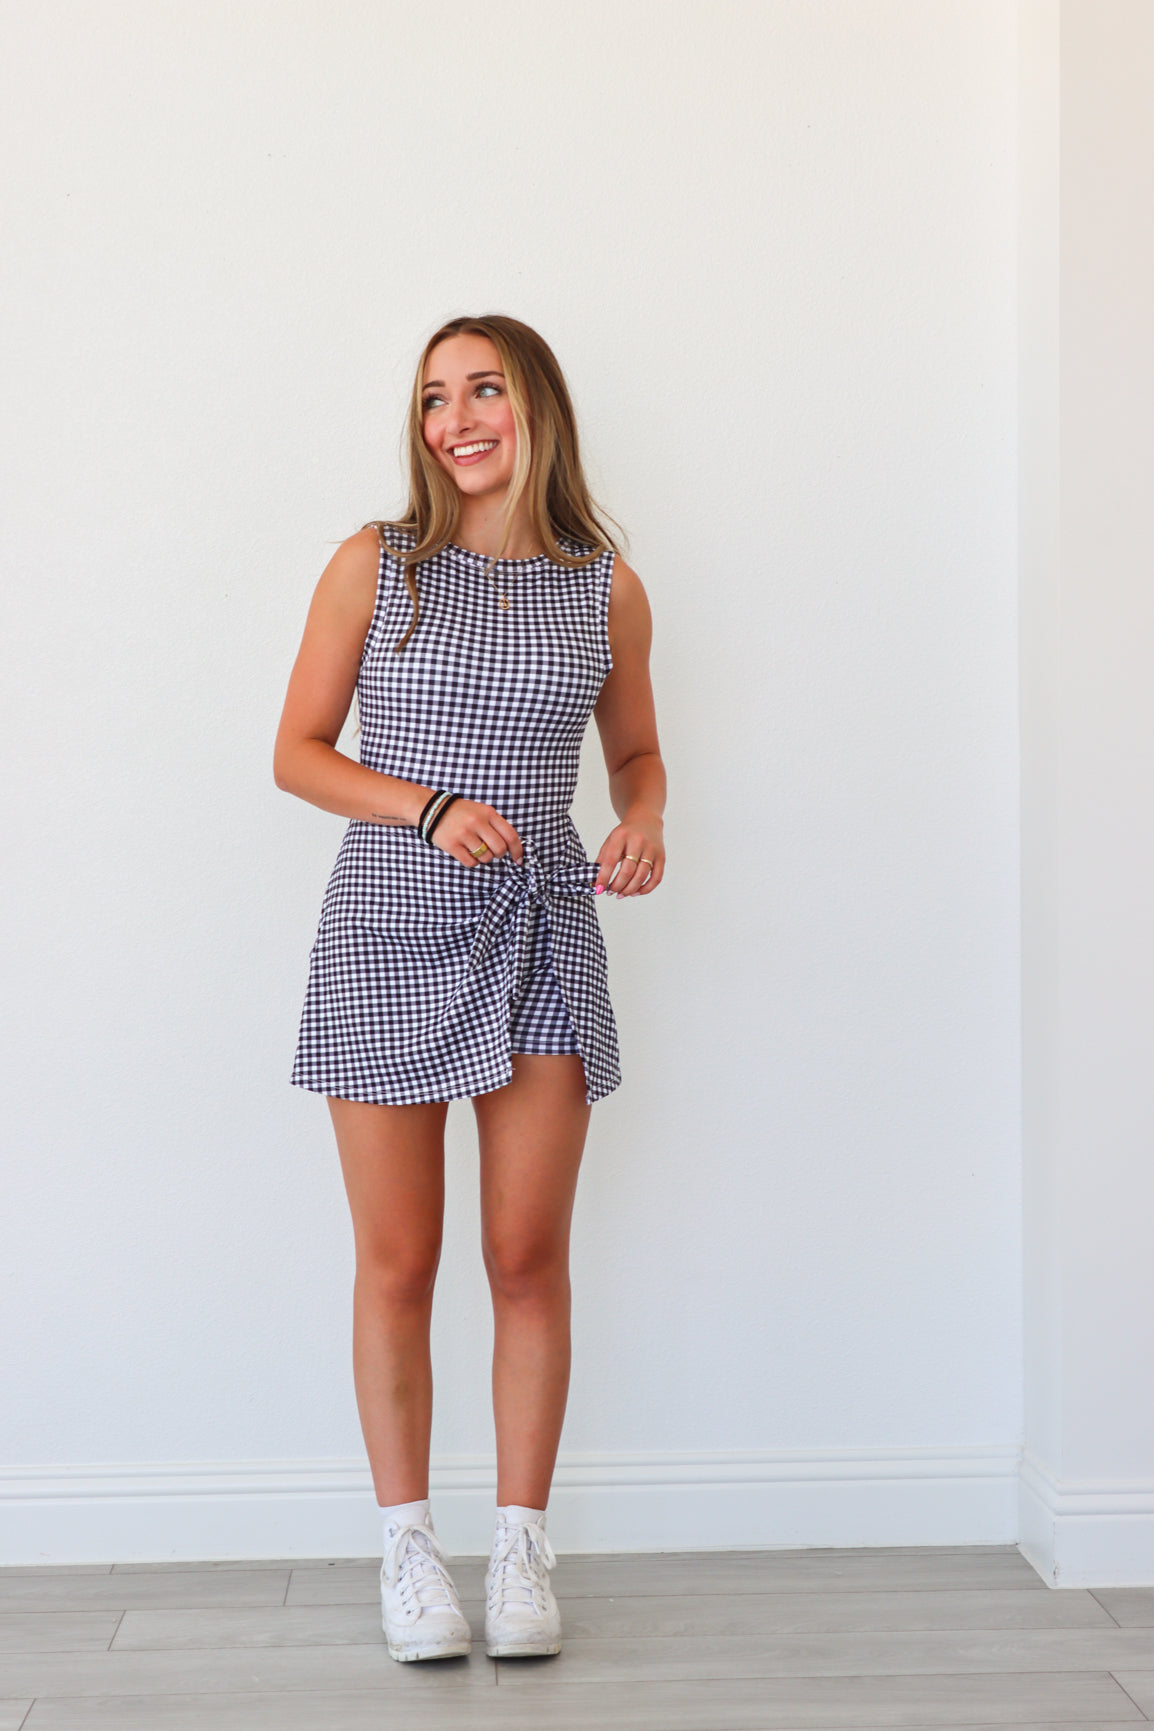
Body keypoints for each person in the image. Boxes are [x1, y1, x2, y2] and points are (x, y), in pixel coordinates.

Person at [273, 313, 666, 1663]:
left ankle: (518, 1550)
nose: (454, 420)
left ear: (534, 406)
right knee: (399, 1262)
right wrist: (426, 805)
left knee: (524, 1257)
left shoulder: (605, 587)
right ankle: (407, 1549)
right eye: (434, 398)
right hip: (387, 930)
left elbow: (637, 753)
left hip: (543, 931)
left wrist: (644, 818)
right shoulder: (374, 567)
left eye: (482, 390)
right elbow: (298, 752)